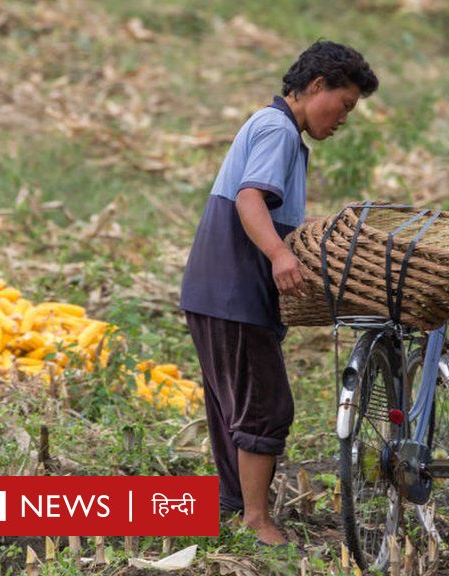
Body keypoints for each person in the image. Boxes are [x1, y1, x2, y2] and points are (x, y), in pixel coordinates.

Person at [180, 40, 379, 546]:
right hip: (233, 290)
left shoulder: (271, 127)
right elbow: (250, 200)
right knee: (265, 405)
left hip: (213, 290)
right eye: (345, 104)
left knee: (233, 404)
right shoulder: (277, 129)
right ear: (316, 87)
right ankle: (256, 520)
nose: (344, 119)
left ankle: (229, 507)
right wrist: (280, 256)